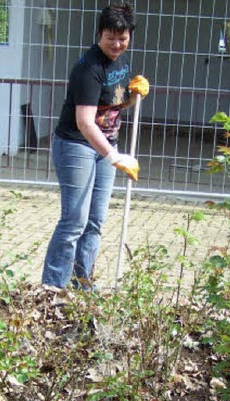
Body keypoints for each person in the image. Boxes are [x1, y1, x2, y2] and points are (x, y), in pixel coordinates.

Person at [41, 3, 149, 289]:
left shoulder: (120, 62)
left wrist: (132, 95)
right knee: (74, 220)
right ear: (99, 33)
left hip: (104, 146)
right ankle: (53, 288)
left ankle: (82, 284)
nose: (116, 44)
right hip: (77, 145)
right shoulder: (88, 68)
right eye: (110, 37)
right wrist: (115, 157)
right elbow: (85, 122)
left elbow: (111, 102)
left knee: (95, 221)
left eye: (122, 38)